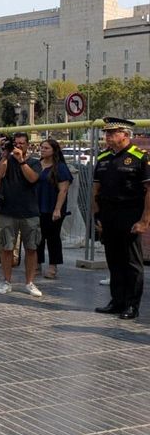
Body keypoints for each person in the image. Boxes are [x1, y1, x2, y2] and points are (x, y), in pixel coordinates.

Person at [93, 117, 150, 320]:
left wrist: (145, 220)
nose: (107, 136)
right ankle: (117, 301)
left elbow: (148, 190)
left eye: (112, 133)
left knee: (132, 263)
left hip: (130, 215)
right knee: (114, 259)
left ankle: (132, 305)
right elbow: (96, 189)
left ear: (125, 135)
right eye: (106, 133)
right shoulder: (103, 158)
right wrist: (96, 215)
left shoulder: (140, 157)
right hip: (108, 215)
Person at [0, 132, 43, 297]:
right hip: (7, 211)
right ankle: (6, 281)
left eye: (22, 143)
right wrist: (5, 156)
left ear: (28, 145)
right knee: (7, 248)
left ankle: (29, 282)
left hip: (29, 212)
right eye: (16, 143)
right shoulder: (5, 160)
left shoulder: (34, 163)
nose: (19, 146)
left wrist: (21, 160)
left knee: (31, 247)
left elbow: (33, 178)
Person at [37, 139, 73, 279]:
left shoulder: (60, 168)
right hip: (37, 207)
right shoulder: (37, 165)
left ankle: (53, 266)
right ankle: (37, 264)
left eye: (46, 148)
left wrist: (57, 209)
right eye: (42, 147)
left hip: (52, 208)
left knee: (52, 237)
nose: (42, 149)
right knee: (37, 237)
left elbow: (63, 190)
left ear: (54, 150)